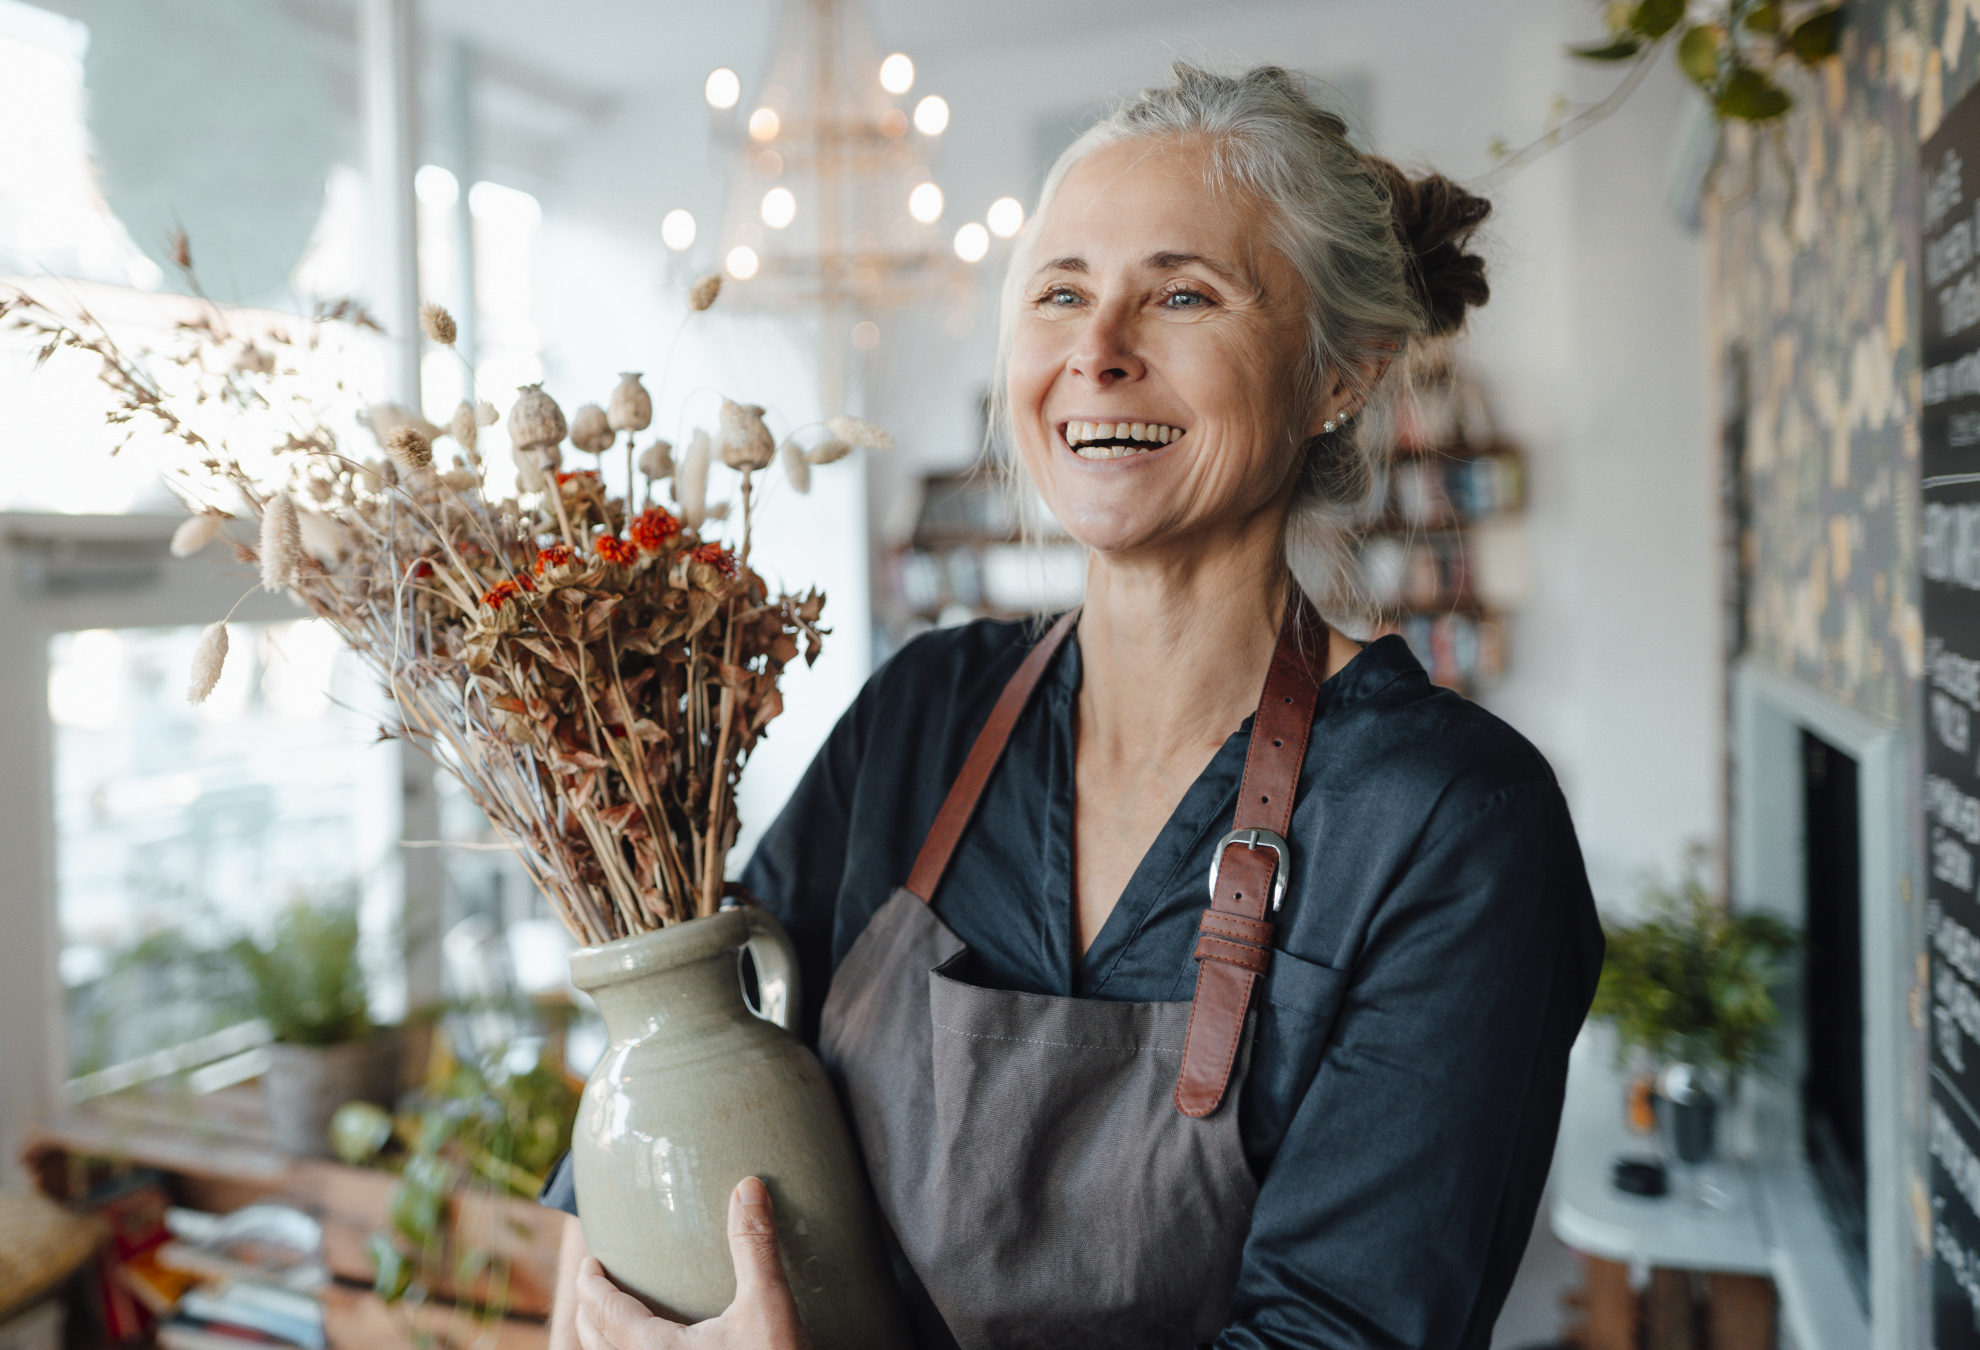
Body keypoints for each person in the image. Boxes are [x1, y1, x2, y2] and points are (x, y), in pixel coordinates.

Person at [546, 62, 1603, 1350]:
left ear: (1343, 371)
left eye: (1182, 293)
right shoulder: (921, 716)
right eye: (1060, 293)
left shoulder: (1450, 826)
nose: (1097, 353)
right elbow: (674, 1082)